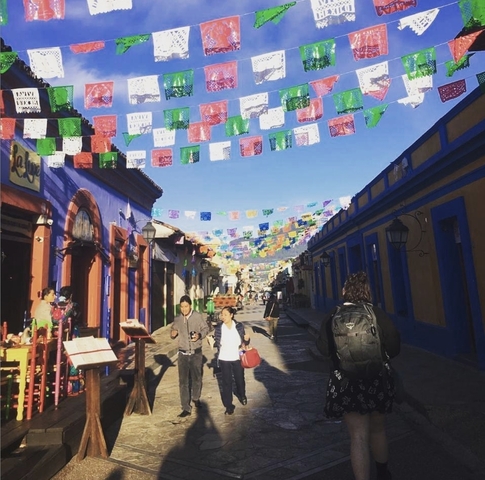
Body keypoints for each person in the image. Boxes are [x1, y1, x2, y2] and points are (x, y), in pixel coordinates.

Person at [317, 272, 400, 480]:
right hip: (376, 378)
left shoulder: (333, 315)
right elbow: (394, 346)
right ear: (367, 291)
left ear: (344, 291)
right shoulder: (376, 313)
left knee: (358, 436)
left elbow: (322, 349)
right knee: (378, 430)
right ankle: (383, 474)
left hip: (346, 382)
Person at [171, 295, 209, 418]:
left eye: (186, 306)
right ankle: (186, 408)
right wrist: (173, 333)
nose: (184, 309)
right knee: (183, 382)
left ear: (190, 306)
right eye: (182, 307)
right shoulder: (177, 319)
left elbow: (206, 329)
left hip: (196, 353)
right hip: (182, 354)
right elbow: (173, 332)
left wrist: (199, 335)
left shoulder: (197, 316)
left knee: (197, 378)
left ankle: (196, 398)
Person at [213, 306, 250, 415]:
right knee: (226, 382)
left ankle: (242, 395)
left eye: (225, 314)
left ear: (231, 315)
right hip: (224, 358)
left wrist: (247, 340)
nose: (222, 317)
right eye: (222, 314)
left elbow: (244, 342)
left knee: (239, 379)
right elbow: (216, 342)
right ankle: (228, 405)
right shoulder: (219, 328)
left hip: (237, 357)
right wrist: (212, 341)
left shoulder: (238, 326)